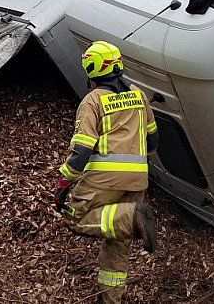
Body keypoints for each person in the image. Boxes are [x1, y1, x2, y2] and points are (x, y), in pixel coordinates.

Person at [54, 41, 158, 304]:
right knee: (117, 238)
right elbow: (153, 138)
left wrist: (65, 180)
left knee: (76, 219)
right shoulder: (139, 95)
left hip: (104, 177)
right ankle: (110, 299)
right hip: (138, 177)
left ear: (91, 69)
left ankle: (133, 217)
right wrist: (139, 164)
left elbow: (82, 149)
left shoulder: (92, 101)